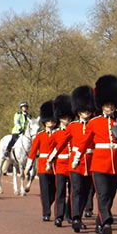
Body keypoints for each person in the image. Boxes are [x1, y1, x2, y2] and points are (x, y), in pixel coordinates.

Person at [75, 75, 117, 234]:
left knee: (110, 196)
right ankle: (106, 222)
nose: (110, 107)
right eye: (107, 105)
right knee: (103, 195)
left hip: (116, 164)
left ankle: (100, 222)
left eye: (112, 105)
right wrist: (77, 156)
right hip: (99, 164)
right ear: (101, 105)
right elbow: (85, 142)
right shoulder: (94, 122)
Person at [66, 85, 96, 233]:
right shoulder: (72, 127)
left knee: (86, 191)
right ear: (78, 112)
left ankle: (79, 216)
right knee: (76, 190)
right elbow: (61, 143)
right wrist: (52, 156)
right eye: (84, 110)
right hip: (75, 163)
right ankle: (76, 218)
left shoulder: (94, 124)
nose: (87, 113)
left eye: (88, 110)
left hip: (90, 162)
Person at [25, 101, 57, 221]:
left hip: (54, 165)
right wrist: (28, 167)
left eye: (52, 121)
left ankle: (47, 206)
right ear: (44, 122)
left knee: (54, 189)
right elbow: (33, 151)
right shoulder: (39, 135)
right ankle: (46, 213)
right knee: (44, 190)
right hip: (43, 165)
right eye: (48, 121)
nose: (50, 123)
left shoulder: (58, 134)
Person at [46, 95, 74, 227]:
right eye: (64, 118)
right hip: (61, 165)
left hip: (74, 164)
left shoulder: (74, 130)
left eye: (68, 118)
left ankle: (70, 215)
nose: (66, 120)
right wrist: (49, 163)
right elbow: (51, 151)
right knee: (61, 191)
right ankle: (59, 216)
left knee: (74, 191)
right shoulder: (56, 133)